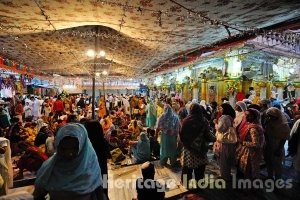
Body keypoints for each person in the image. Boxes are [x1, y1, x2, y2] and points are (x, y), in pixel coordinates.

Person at [33, 123, 106, 200]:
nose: (69, 154)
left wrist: (104, 188)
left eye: (74, 148)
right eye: (63, 149)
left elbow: (100, 184)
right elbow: (38, 194)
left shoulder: (89, 158)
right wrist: (105, 187)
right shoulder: (50, 168)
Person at [180, 103, 215, 189]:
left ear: (191, 110)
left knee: (187, 167)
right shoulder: (204, 120)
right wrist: (214, 138)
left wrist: (185, 143)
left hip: (188, 149)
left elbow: (181, 134)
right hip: (200, 148)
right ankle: (199, 184)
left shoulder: (186, 120)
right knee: (200, 168)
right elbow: (208, 135)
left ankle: (186, 183)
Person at [236, 108, 265, 179]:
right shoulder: (251, 124)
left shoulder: (253, 128)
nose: (246, 117)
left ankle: (249, 188)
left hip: (250, 153)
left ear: (255, 116)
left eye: (249, 116)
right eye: (245, 115)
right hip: (248, 151)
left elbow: (256, 144)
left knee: (249, 170)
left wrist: (242, 142)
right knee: (249, 170)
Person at [84, 120, 110, 198]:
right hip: (103, 169)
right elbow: (108, 154)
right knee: (104, 188)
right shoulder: (103, 141)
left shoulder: (86, 145)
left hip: (91, 174)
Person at [264, 107, 290, 180]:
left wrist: (279, 148)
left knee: (277, 164)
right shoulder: (268, 122)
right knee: (269, 162)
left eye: (272, 116)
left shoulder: (283, 125)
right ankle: (270, 176)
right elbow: (265, 132)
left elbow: (284, 138)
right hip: (268, 144)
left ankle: (278, 179)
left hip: (277, 145)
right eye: (269, 115)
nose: (270, 117)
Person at [214, 103, 236, 181]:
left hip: (224, 141)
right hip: (229, 141)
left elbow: (220, 129)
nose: (220, 110)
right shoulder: (230, 117)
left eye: (221, 108)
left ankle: (225, 177)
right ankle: (227, 174)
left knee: (223, 160)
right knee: (227, 159)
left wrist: (215, 123)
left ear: (225, 109)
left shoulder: (224, 118)